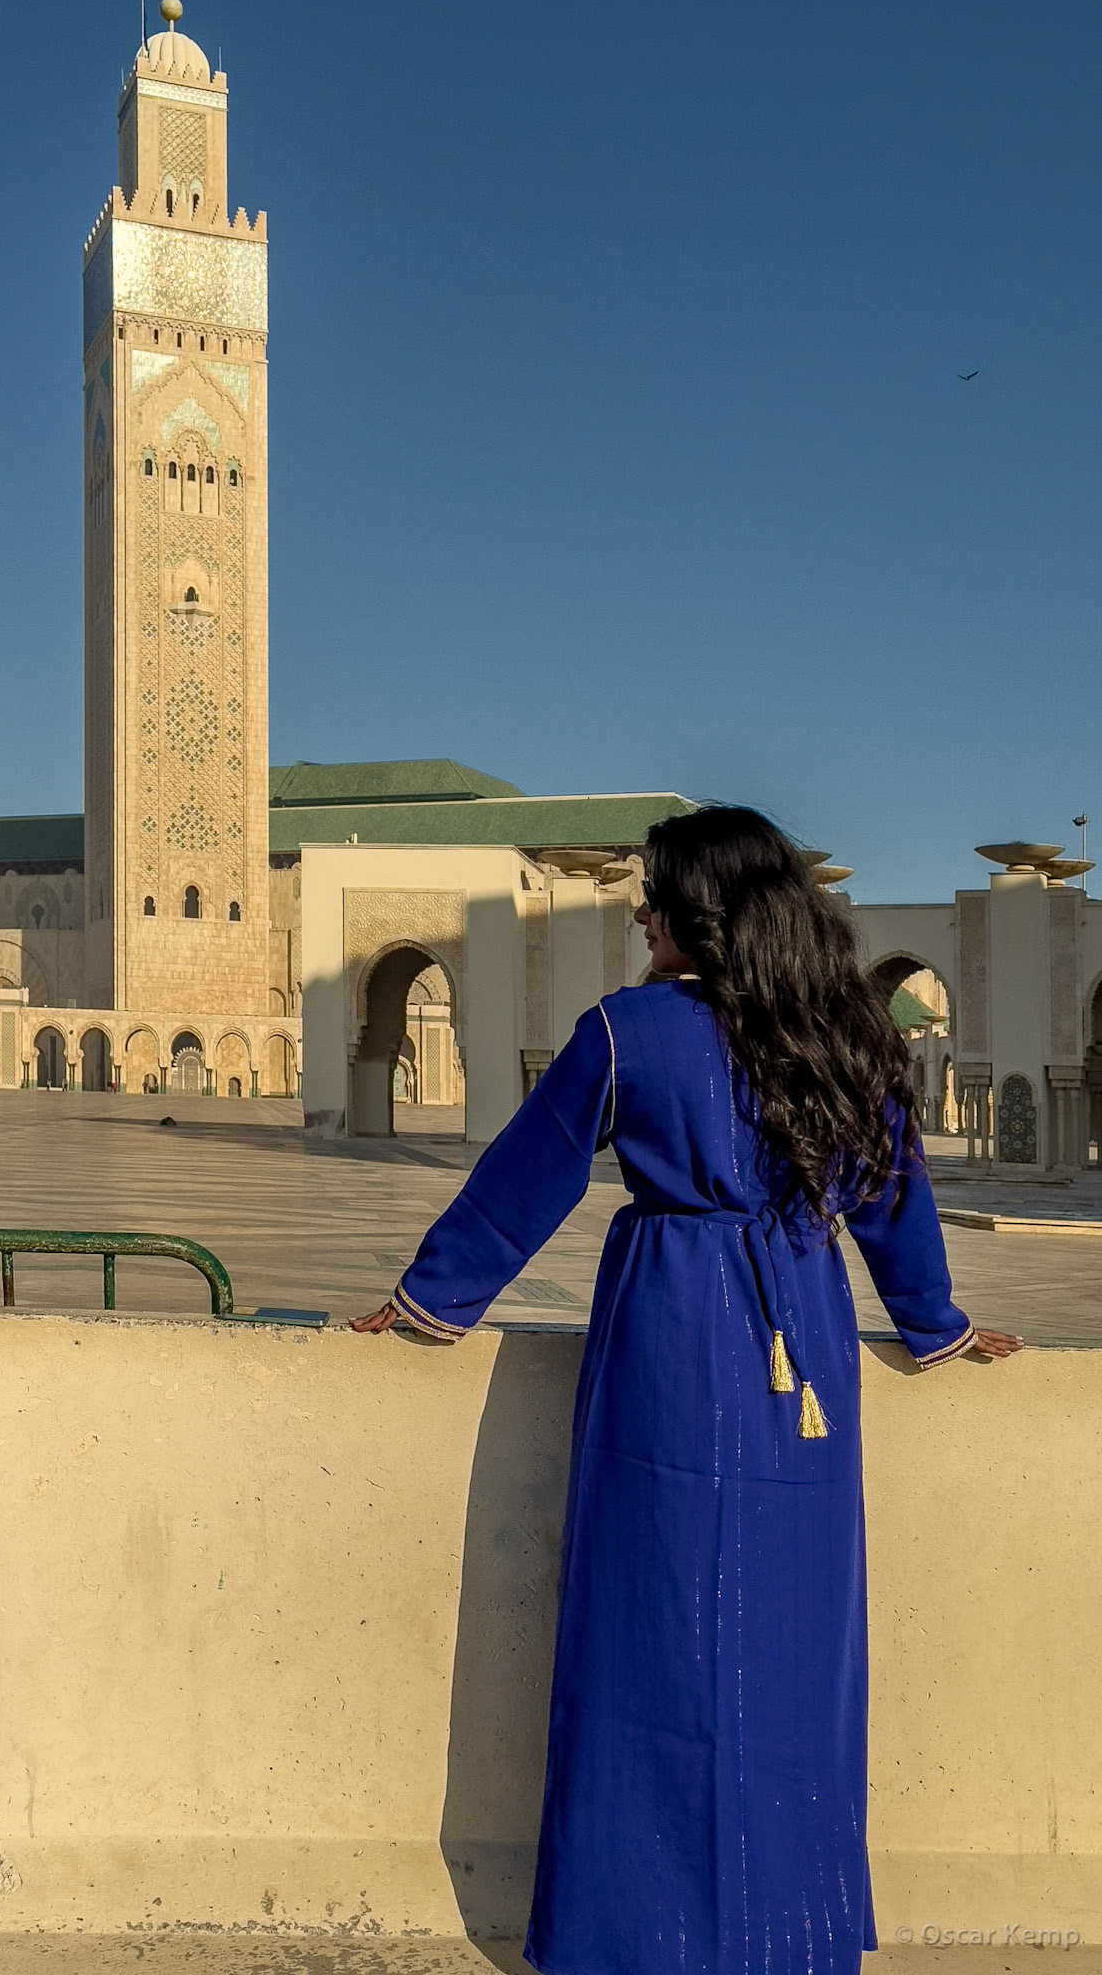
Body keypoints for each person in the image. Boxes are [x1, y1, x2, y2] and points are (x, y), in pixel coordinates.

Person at [353, 805, 1022, 1975]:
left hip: (666, 1339)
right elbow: (892, 1200)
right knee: (795, 1640)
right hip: (802, 1352)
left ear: (690, 913)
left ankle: (630, 1935)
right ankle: (790, 1932)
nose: (642, 920)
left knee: (644, 1630)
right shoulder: (844, 1031)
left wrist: (427, 1300)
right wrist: (939, 1325)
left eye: (652, 900)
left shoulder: (627, 1033)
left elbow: (525, 1179)